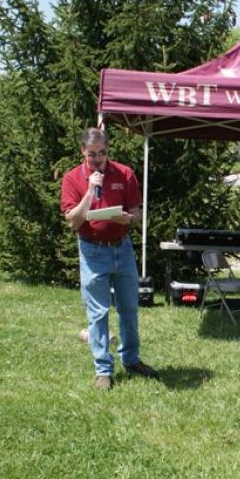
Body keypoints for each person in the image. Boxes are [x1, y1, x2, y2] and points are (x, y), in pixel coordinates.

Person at [61, 127, 156, 390]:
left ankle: (131, 360)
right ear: (83, 151)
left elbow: (137, 211)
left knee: (129, 308)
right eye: (92, 154)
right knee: (98, 312)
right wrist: (90, 191)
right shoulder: (72, 179)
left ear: (108, 150)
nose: (97, 159)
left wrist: (129, 218)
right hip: (92, 251)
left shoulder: (124, 174)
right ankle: (103, 370)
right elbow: (73, 222)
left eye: (102, 153)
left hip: (122, 249)